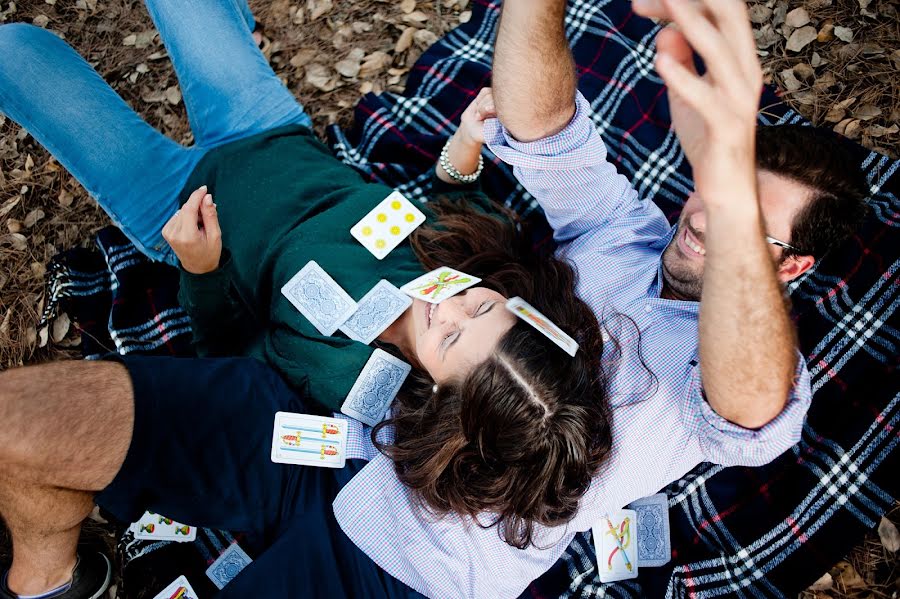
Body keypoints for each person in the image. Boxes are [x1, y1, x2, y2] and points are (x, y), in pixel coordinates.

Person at [0, 0, 870, 598]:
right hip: (336, 426)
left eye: (748, 226)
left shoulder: (735, 367)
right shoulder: (624, 229)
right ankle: (58, 577)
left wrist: (722, 165)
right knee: (19, 426)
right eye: (715, 197)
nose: (710, 224)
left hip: (405, 563)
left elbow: (750, 408)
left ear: (788, 269)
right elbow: (545, 126)